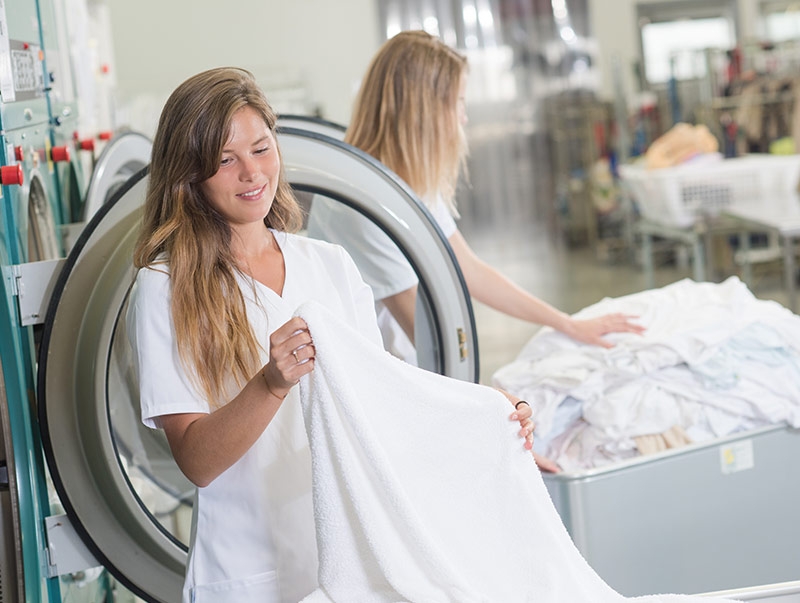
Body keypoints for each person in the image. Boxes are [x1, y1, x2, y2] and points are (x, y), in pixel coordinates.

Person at [126, 66, 536, 603]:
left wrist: (484, 411)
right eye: (225, 160)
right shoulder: (165, 287)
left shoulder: (329, 265)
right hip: (248, 572)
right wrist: (270, 383)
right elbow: (198, 463)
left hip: (347, 561)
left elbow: (383, 402)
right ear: (189, 174)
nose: (251, 173)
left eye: (261, 148)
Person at [307, 30, 644, 370]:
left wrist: (566, 323)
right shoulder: (366, 205)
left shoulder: (403, 180)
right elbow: (432, 343)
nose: (463, 117)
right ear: (424, 110)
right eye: (459, 103)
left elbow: (469, 270)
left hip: (412, 366)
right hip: (387, 375)